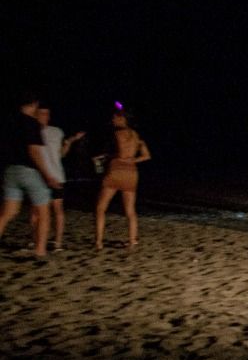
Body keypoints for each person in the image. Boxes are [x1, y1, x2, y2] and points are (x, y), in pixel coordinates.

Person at [0, 93, 60, 260]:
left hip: (10, 171)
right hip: (28, 171)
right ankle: (40, 250)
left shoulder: (9, 122)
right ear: (33, 105)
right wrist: (47, 175)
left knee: (8, 213)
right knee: (43, 212)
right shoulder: (31, 124)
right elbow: (33, 151)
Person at [93, 108, 151, 251]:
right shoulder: (136, 135)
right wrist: (133, 160)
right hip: (131, 174)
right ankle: (132, 241)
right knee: (130, 211)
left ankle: (99, 242)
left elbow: (117, 152)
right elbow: (147, 156)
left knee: (100, 208)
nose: (112, 120)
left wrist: (106, 157)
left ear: (122, 119)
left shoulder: (116, 134)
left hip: (116, 171)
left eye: (115, 118)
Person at [35, 103, 84, 250]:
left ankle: (58, 242)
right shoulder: (31, 131)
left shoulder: (56, 131)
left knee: (58, 210)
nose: (45, 117)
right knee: (36, 211)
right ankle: (35, 240)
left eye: (47, 114)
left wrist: (69, 142)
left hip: (56, 175)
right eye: (42, 114)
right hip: (38, 177)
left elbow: (61, 154)